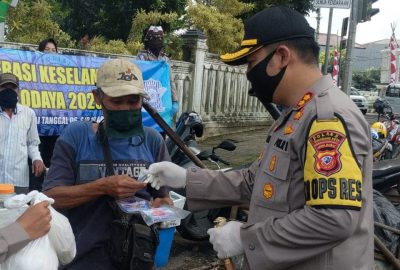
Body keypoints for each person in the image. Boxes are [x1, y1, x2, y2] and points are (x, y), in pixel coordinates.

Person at [146, 6, 373, 270]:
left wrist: (246, 238)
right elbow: (256, 181)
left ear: (282, 56)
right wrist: (186, 179)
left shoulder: (326, 118)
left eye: (252, 63)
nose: (248, 74)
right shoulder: (296, 115)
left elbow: (333, 219)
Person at [42, 58, 172, 270]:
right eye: (116, 101)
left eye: (133, 102)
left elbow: (163, 198)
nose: (125, 108)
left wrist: (162, 207)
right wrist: (102, 187)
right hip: (82, 260)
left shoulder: (153, 141)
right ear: (98, 97)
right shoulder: (76, 136)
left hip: (136, 259)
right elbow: (52, 197)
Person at [0, 73, 45, 194]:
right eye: (4, 87)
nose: (9, 91)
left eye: (12, 88)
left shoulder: (28, 113)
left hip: (19, 182)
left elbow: (32, 144)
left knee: (20, 213)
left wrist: (37, 159)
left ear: (18, 91)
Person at [137, 25, 179, 137]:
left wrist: (175, 101)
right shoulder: (141, 57)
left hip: (162, 103)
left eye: (160, 38)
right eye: (154, 38)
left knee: (160, 136)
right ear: (148, 39)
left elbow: (171, 81)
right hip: (146, 102)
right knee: (145, 135)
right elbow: (139, 79)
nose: (157, 40)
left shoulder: (165, 59)